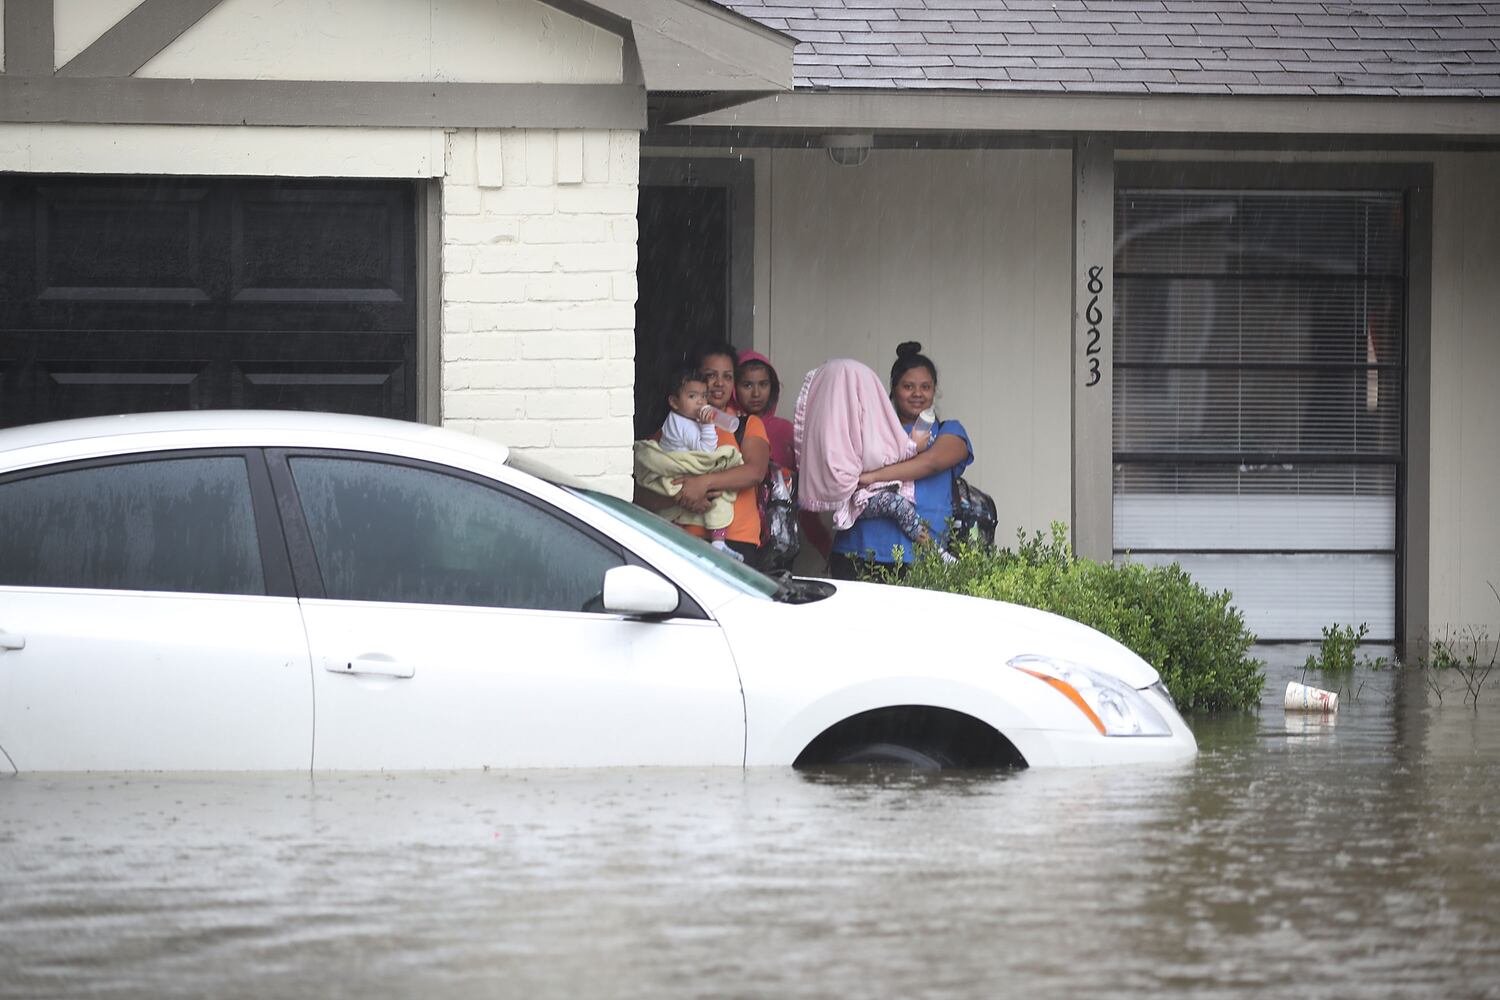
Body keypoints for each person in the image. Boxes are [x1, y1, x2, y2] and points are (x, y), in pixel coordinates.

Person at [827, 342, 973, 580]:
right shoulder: (866, 431)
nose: (917, 394)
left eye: (925, 387)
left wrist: (873, 476)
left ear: (934, 391)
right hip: (857, 551)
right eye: (908, 386)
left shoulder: (951, 431)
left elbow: (930, 463)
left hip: (922, 555)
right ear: (893, 390)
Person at [633, 342, 771, 562]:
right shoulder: (672, 429)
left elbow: (755, 472)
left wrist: (703, 483)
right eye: (710, 375)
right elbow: (641, 493)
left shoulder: (745, 425)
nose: (719, 383)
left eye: (727, 376)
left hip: (737, 542)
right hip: (681, 539)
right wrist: (680, 496)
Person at [632, 367, 744, 558]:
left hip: (684, 470)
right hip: (680, 468)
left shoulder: (684, 419)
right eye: (692, 396)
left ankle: (716, 542)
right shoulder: (681, 423)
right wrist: (708, 425)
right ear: (674, 402)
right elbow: (706, 452)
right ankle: (718, 542)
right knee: (723, 481)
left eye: (703, 396)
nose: (700, 401)